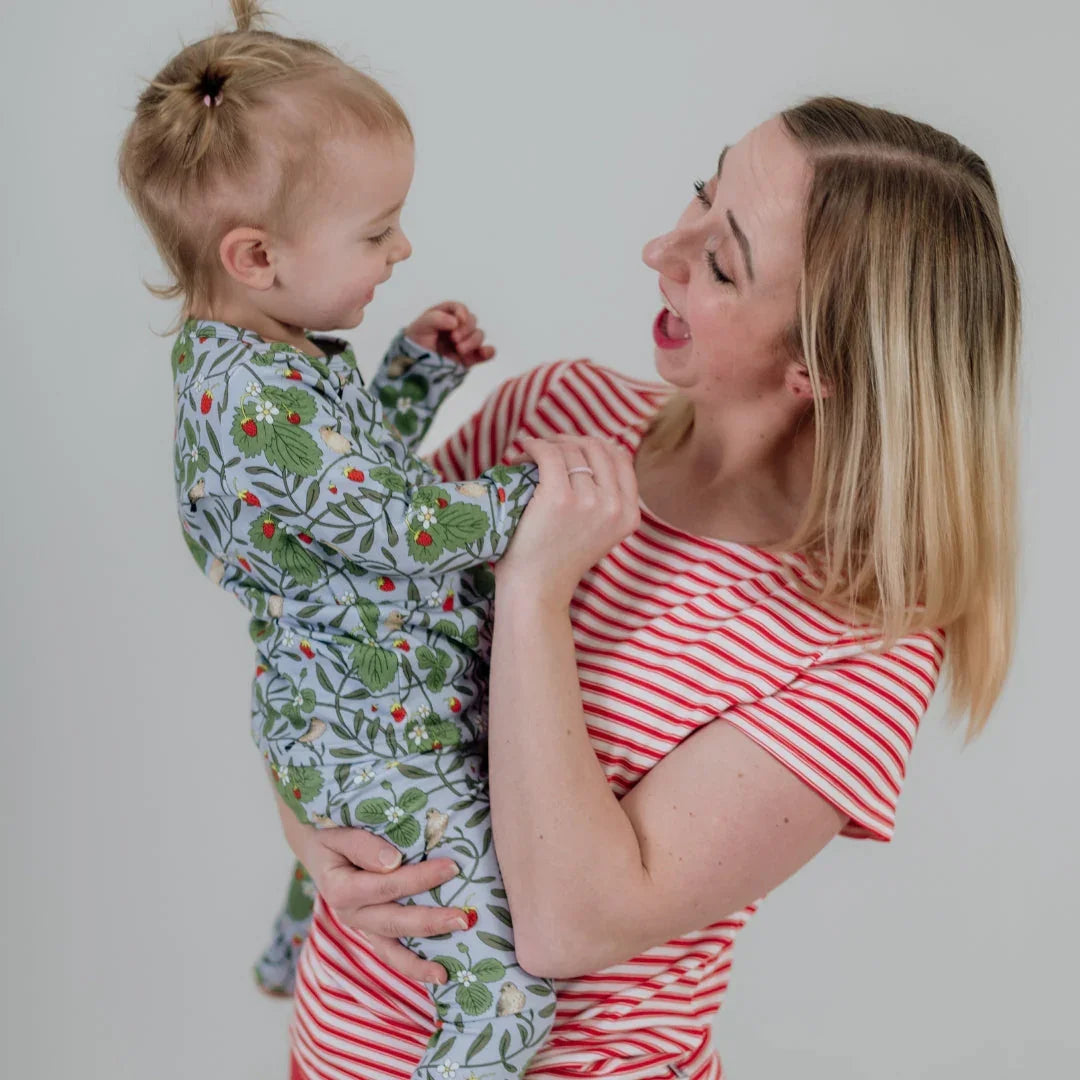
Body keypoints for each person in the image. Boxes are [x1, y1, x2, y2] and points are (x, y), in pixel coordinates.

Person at [274, 96, 1020, 1079]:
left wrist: (537, 593)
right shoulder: (555, 412)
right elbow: (322, 641)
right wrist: (316, 841)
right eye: (698, 197)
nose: (659, 249)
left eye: (719, 261)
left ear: (820, 368)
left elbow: (568, 927)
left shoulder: (860, 651)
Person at [115, 2, 606, 1077]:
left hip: (345, 699)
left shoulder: (266, 361)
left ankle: (294, 949)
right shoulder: (257, 399)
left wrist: (411, 375)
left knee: (345, 848)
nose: (402, 246)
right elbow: (394, 523)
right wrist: (535, 496)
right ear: (256, 254)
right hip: (377, 732)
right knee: (511, 976)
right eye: (376, 230)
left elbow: (345, 484)